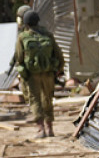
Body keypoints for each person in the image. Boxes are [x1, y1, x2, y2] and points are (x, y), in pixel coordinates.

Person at [15, 7, 64, 137]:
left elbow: (19, 58)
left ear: (25, 23)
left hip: (32, 75)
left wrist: (22, 72)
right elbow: (59, 55)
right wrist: (58, 71)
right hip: (48, 73)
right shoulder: (48, 34)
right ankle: (50, 129)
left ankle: (40, 129)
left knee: (35, 100)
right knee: (47, 99)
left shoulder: (23, 37)